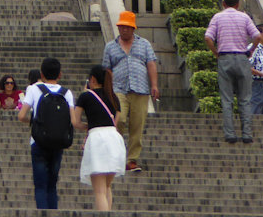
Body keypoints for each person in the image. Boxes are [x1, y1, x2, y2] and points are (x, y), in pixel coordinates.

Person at [101, 11, 158, 174]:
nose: (124, 30)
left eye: (127, 27)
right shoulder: (110, 46)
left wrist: (154, 85)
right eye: (121, 27)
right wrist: (107, 89)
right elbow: (107, 69)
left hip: (140, 89)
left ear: (133, 28)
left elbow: (151, 64)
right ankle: (114, 155)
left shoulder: (144, 44)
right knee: (119, 120)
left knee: (137, 125)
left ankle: (132, 159)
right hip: (118, 89)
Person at [204, 0, 262, 144]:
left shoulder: (217, 17)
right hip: (242, 58)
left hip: (225, 58)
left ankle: (230, 134)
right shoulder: (244, 17)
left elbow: (208, 37)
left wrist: (215, 52)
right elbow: (257, 36)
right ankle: (247, 134)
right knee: (245, 99)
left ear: (223, 4)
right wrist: (251, 50)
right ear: (238, 4)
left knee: (227, 99)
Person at [17, 56, 74, 209]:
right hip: (58, 143)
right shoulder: (67, 93)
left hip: (38, 142)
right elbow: (73, 120)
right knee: (52, 185)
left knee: (40, 185)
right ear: (60, 74)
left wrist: (35, 123)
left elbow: (21, 115)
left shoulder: (35, 89)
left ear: (41, 74)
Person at [72, 65, 126, 212]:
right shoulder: (114, 97)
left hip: (97, 139)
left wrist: (88, 126)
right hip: (114, 138)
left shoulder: (85, 96)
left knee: (99, 191)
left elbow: (75, 122)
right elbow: (116, 121)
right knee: (107, 187)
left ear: (93, 79)